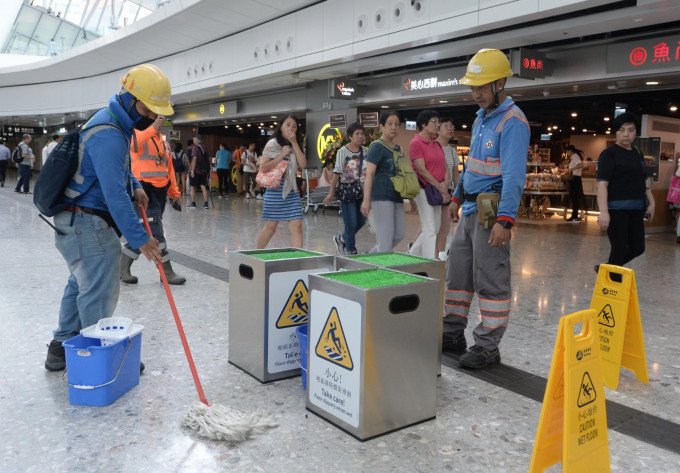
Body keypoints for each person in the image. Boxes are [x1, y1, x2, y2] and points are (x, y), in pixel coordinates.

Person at [44, 63, 166, 371]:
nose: (150, 116)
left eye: (155, 112)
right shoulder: (110, 132)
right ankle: (102, 358)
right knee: (98, 291)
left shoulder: (113, 121)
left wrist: (136, 184)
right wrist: (141, 239)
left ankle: (61, 348)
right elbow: (114, 196)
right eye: (146, 108)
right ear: (128, 96)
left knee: (81, 284)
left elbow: (117, 169)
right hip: (87, 222)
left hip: (75, 220)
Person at [443, 49, 530, 369]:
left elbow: (514, 177)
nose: (475, 93)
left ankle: (488, 344)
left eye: (482, 86)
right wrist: (456, 198)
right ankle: (452, 333)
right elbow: (471, 168)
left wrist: (504, 221)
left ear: (501, 83)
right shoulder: (481, 119)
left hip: (492, 209)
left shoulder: (513, 122)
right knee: (458, 272)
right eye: (472, 87)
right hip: (469, 208)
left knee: (491, 276)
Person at [120, 115, 185, 285]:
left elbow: (168, 168)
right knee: (154, 230)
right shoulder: (137, 135)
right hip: (142, 190)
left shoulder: (163, 142)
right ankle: (166, 271)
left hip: (159, 192)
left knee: (146, 230)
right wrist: (153, 127)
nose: (161, 126)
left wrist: (174, 193)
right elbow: (134, 145)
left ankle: (122, 267)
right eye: (158, 123)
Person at [596, 113, 655, 270]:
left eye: (630, 130)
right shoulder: (608, 154)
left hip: (637, 208)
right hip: (616, 209)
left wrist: (652, 202)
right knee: (619, 248)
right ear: (616, 132)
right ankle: (612, 287)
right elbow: (602, 185)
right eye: (622, 130)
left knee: (638, 248)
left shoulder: (637, 153)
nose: (626, 134)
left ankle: (606, 269)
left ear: (636, 132)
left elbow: (644, 180)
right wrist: (603, 212)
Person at [256, 115, 307, 248]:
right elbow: (264, 167)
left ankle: (298, 260)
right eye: (287, 125)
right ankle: (256, 254)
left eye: (294, 126)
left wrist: (295, 143)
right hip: (275, 190)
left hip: (291, 189)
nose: (290, 128)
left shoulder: (293, 145)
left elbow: (303, 165)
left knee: (297, 227)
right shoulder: (272, 144)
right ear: (281, 126)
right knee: (271, 228)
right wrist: (283, 155)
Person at [360, 111, 406, 252]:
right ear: (382, 127)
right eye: (389, 124)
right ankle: (380, 267)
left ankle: (371, 256)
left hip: (397, 196)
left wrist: (411, 199)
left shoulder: (398, 148)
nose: (393, 127)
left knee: (399, 234)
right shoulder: (376, 146)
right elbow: (370, 174)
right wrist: (366, 200)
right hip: (381, 196)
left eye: (396, 124)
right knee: (385, 238)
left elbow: (402, 173)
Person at [407, 109, 449, 259]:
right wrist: (440, 187)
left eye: (438, 122)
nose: (437, 125)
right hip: (423, 189)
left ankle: (412, 254)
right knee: (430, 228)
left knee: (435, 227)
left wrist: (445, 183)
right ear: (423, 124)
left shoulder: (436, 144)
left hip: (437, 190)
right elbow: (421, 170)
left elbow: (444, 167)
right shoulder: (416, 143)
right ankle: (429, 262)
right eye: (434, 122)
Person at [324, 122, 368, 255]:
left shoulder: (366, 151)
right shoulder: (343, 151)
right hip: (347, 191)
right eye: (357, 134)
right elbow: (336, 173)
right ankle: (351, 250)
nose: (360, 136)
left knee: (362, 220)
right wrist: (331, 193)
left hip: (361, 191)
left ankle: (341, 239)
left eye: (362, 133)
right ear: (350, 136)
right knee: (351, 223)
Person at [436, 117, 460, 259]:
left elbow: (456, 175)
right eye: (446, 126)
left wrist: (458, 196)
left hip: (448, 192)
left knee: (445, 226)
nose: (450, 128)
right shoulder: (432, 147)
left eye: (452, 126)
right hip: (433, 190)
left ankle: (440, 255)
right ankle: (416, 250)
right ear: (438, 130)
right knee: (431, 226)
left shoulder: (452, 151)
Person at [188, 133, 210, 210]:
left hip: (196, 170)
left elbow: (194, 159)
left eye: (194, 139)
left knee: (192, 187)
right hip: (203, 171)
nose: (193, 140)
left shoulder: (195, 148)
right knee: (203, 186)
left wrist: (192, 170)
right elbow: (208, 159)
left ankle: (193, 203)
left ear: (198, 139)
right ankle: (206, 203)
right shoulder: (205, 147)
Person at [565, 144, 586, 221]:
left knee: (575, 197)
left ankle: (574, 216)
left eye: (567, 151)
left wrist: (570, 169)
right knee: (574, 198)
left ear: (570, 151)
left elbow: (581, 165)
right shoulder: (573, 157)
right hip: (574, 179)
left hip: (575, 179)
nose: (567, 153)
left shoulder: (575, 157)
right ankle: (574, 215)